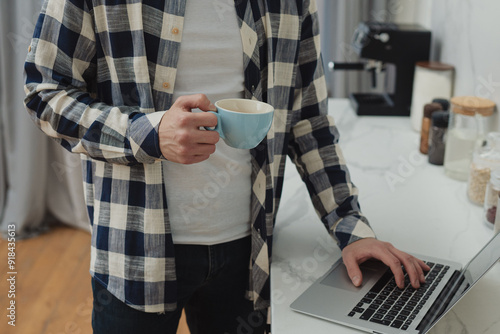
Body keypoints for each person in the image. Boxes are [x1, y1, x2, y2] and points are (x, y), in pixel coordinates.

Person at [24, 0, 429, 333]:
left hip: (248, 255)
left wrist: (351, 229)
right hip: (133, 253)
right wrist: (148, 131)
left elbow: (309, 122)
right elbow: (44, 91)